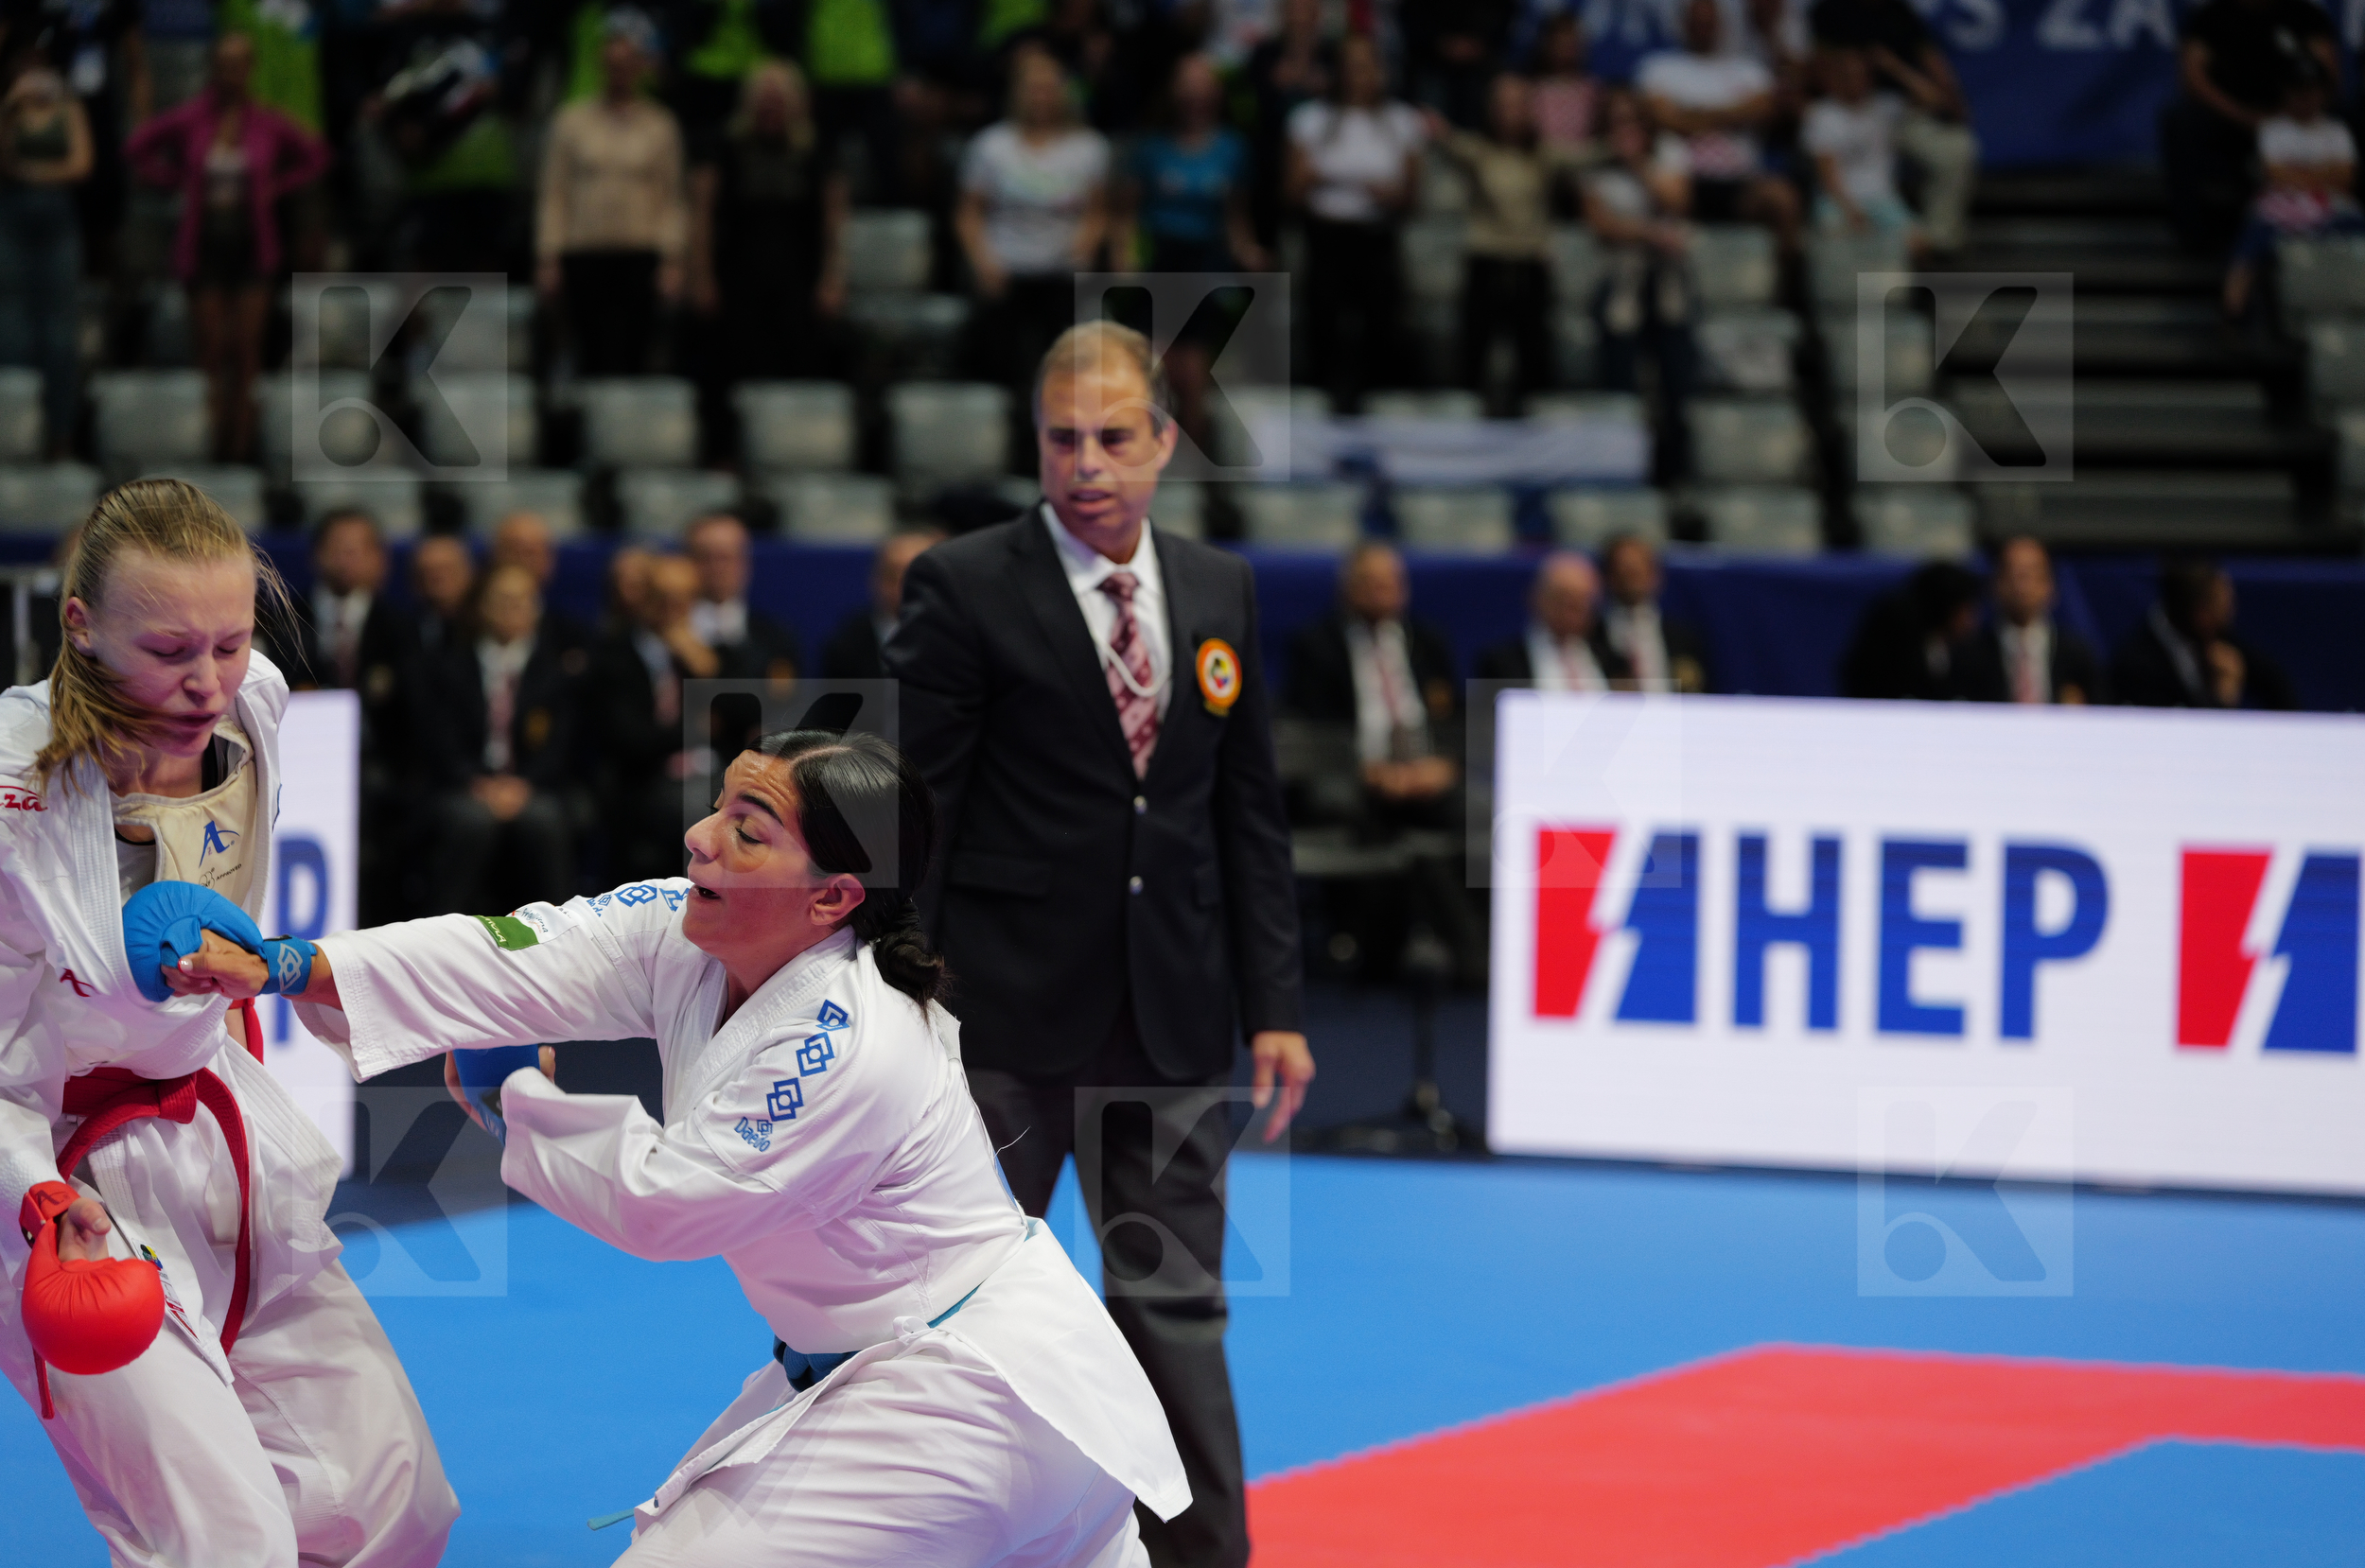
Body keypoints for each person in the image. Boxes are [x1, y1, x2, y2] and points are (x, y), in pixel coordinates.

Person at [176, 729, 1191, 1565]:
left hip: (968, 1392)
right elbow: (524, 949)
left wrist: (513, 1097)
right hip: (914, 1376)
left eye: (747, 832)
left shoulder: (852, 1038)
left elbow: (673, 1199)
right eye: (719, 809)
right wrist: (289, 963)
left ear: (833, 896)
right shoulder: (692, 930)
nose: (701, 837)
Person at [886, 321, 1310, 1568]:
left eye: (1115, 437)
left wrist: (1275, 1003)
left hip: (1172, 1017)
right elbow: (920, 806)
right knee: (949, 1314)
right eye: (1064, 438)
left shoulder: (1221, 589)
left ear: (1166, 442)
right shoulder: (963, 584)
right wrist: (893, 985)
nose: (1088, 464)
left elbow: (1250, 813)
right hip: (998, 1018)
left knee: (1176, 1312)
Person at [0, 479, 457, 1564]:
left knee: (390, 1502)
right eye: (168, 651)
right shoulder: (14, 784)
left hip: (220, 1138)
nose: (206, 679)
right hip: (57, 1175)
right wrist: (37, 1195)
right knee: (222, 1539)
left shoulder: (256, 697)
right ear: (81, 625)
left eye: (229, 638)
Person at [124, 33, 329, 462]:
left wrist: (276, 186)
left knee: (248, 346)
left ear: (249, 68)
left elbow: (316, 156)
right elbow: (138, 147)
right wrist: (175, 180)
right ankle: (210, 439)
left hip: (252, 243)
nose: (230, 72)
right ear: (213, 67)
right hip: (205, 244)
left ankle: (243, 441)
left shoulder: (267, 121)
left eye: (238, 63)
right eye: (223, 63)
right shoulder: (192, 118)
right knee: (211, 347)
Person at [1112, 52, 1267, 453]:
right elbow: (1127, 213)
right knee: (1153, 365)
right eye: (1188, 84)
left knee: (1193, 372)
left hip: (1205, 263)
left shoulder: (1233, 149)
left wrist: (1247, 251)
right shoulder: (1150, 148)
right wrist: (1124, 257)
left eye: (1204, 85)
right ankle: (1145, 456)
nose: (1196, 94)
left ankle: (1198, 468)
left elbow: (1236, 216)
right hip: (1162, 261)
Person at [413, 559, 582, 914]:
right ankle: (445, 930)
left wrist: (523, 785)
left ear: (537, 609)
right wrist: (477, 783)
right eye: (502, 600)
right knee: (472, 821)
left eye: (521, 601)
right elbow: (439, 740)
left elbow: (561, 746)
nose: (512, 610)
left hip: (532, 787)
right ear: (482, 606)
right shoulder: (448, 665)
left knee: (545, 820)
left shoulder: (555, 670)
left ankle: (559, 931)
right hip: (465, 786)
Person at [536, 8, 688, 377]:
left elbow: (672, 199)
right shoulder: (570, 121)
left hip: (639, 255)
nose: (619, 70)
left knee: (635, 355)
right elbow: (554, 194)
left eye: (628, 62)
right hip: (584, 253)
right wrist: (549, 257)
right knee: (587, 355)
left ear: (640, 66)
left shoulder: (661, 125)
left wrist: (672, 259)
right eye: (612, 62)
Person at [686, 59, 849, 399]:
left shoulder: (818, 151)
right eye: (765, 99)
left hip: (799, 277)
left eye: (780, 100)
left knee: (797, 362)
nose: (772, 107)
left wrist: (832, 279)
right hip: (737, 275)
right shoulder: (723, 148)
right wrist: (702, 278)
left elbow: (834, 222)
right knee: (735, 367)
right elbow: (702, 216)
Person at [957, 47, 1111, 392]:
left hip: (1061, 272)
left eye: (1048, 87)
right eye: (1032, 88)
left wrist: (1084, 246)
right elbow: (968, 212)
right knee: (999, 364)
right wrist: (983, 262)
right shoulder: (991, 146)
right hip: (1005, 269)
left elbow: (1099, 211)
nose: (1041, 96)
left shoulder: (1088, 148)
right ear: (1017, 93)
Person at [1287, 32, 1423, 412]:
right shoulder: (1311, 119)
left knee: (1380, 324)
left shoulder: (1402, 121)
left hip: (1376, 235)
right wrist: (1367, 184)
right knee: (1325, 322)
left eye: (1366, 66)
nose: (1357, 75)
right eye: (1350, 66)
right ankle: (1321, 404)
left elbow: (1410, 195)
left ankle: (1380, 402)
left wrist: (1332, 177)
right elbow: (1295, 187)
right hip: (1327, 235)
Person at [1425, 73, 1572, 410]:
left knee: (1534, 358)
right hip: (1486, 262)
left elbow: (1587, 156)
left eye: (1519, 105)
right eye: (1503, 105)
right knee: (1473, 355)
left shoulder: (1545, 157)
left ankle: (1533, 436)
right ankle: (1469, 432)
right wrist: (1436, 130)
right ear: (1491, 110)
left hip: (1531, 265)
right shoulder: (1478, 153)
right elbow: (1449, 143)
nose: (1511, 113)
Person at [2161, 0, 2340, 255]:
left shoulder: (2304, 15)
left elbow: (2328, 71)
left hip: (2294, 116)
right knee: (2180, 121)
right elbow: (2193, 75)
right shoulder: (2212, 17)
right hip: (2230, 118)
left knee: (2348, 114)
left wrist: (2290, 114)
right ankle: (2195, 236)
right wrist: (2242, 116)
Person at [1580, 90, 1696, 483]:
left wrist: (1639, 167)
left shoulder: (1669, 157)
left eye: (1632, 122)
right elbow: (1603, 227)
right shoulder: (1595, 168)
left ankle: (1675, 477)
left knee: (1676, 388)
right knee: (1620, 388)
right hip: (1621, 286)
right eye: (1617, 123)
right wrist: (1649, 233)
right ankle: (1621, 472)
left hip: (1668, 288)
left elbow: (1676, 202)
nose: (1624, 131)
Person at [589, 552, 722, 884]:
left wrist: (705, 670)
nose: (672, 608)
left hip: (715, 771)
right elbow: (628, 738)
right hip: (645, 780)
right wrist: (696, 729)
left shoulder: (715, 651)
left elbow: (743, 717)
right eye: (663, 597)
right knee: (698, 804)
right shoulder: (614, 654)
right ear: (644, 598)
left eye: (683, 598)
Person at [1806, 0, 1976, 254]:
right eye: (1849, 73)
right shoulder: (1828, 12)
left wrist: (1892, 66)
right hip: (1842, 125)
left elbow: (1934, 96)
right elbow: (1816, 66)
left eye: (1859, 73)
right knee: (1838, 235)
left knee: (1957, 149)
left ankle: (1940, 243)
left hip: (1895, 113)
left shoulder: (1900, 13)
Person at [1638, 0, 1797, 250]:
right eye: (1697, 22)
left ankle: (1789, 283)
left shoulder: (1749, 70)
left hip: (1740, 181)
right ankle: (1671, 280)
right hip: (1684, 178)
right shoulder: (1660, 69)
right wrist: (1734, 113)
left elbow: (1765, 108)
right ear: (1684, 24)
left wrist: (1691, 115)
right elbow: (1663, 118)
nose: (1703, 28)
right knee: (1663, 189)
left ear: (1720, 25)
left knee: (1782, 198)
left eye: (1708, 22)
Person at [0, 54, 91, 461]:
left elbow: (81, 165)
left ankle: (60, 437)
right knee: (12, 330)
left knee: (59, 336)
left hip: (58, 223)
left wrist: (33, 174)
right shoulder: (10, 112)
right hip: (10, 220)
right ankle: (15, 436)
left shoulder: (69, 108)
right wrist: (8, 109)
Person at [2222, 62, 2361, 321]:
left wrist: (2298, 173)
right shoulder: (2273, 129)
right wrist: (2324, 173)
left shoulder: (2336, 131)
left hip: (2331, 207)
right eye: (2298, 91)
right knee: (2250, 241)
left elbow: (2346, 179)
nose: (2304, 98)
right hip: (2282, 207)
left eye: (2310, 90)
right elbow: (2275, 177)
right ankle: (2233, 316)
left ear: (2322, 93)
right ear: (2286, 93)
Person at [2110, 556, 2297, 711]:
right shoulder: (2138, 664)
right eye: (2221, 607)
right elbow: (2177, 736)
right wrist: (2223, 698)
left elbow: (2277, 688)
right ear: (2201, 615)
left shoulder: (2219, 640)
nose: (2231, 612)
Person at [1953, 535, 2101, 706]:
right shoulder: (1968, 656)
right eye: (2013, 574)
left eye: (2031, 574)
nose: (2022, 585)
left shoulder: (2077, 656)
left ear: (2050, 585)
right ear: (1995, 583)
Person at [1802, 44, 1920, 256]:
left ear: (1869, 78)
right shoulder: (1822, 114)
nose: (1853, 81)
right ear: (1836, 79)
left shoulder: (1887, 107)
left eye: (1859, 74)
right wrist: (1852, 211)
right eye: (1846, 75)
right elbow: (1827, 174)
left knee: (1919, 245)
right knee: (1837, 240)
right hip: (1837, 200)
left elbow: (1936, 102)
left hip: (1882, 198)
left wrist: (1896, 69)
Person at [1476, 551, 1625, 689]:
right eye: (1564, 600)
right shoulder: (1502, 663)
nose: (1571, 612)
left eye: (1582, 603)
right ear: (1538, 598)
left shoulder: (1612, 660)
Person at [1837, 559, 1980, 700]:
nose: (1970, 621)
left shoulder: (1965, 652)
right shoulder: (1896, 639)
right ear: (1946, 607)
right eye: (1965, 610)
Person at [685, 512, 800, 680]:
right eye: (706, 557)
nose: (717, 568)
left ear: (745, 563)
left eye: (726, 557)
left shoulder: (777, 640)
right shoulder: (663, 637)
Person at [820, 527, 943, 680]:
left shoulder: (961, 640)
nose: (902, 587)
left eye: (915, 576)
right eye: (892, 575)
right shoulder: (847, 645)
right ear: (874, 579)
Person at [1598, 531, 1708, 692]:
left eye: (1637, 572)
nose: (1632, 582)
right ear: (1609, 577)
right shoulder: (1593, 636)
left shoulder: (1682, 636)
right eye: (1625, 572)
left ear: (1655, 576)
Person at [490, 509, 591, 653]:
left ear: (549, 561)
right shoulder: (464, 631)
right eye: (513, 551)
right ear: (494, 556)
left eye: (530, 553)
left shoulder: (573, 640)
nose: (521, 561)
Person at [1527, 12, 1599, 159]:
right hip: (1544, 162)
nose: (1566, 46)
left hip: (1585, 162)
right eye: (1560, 40)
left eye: (1571, 40)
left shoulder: (1593, 91)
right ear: (1547, 43)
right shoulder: (1532, 90)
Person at [409, 532, 476, 655]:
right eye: (429, 571)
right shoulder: (403, 630)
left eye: (447, 569)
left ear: (469, 572)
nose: (439, 578)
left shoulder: (485, 626)